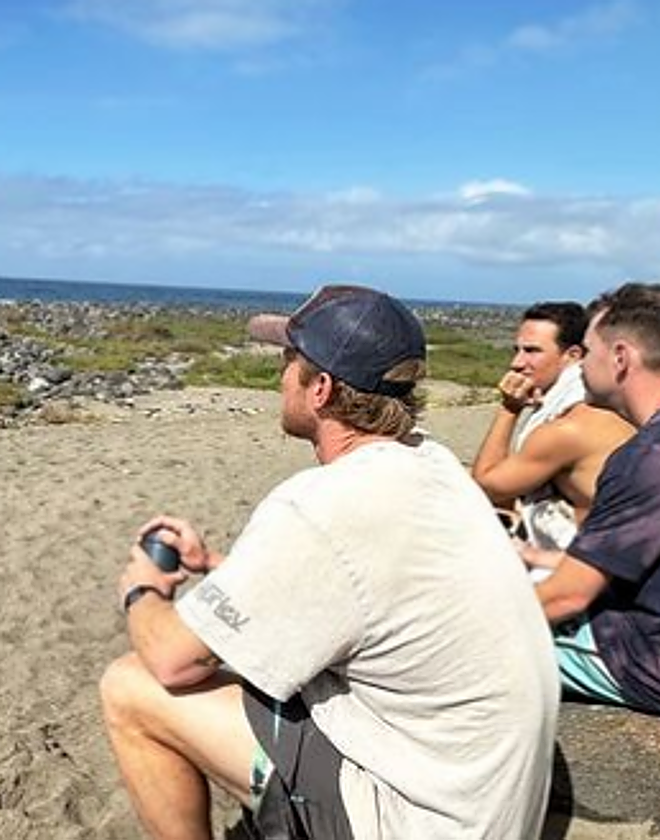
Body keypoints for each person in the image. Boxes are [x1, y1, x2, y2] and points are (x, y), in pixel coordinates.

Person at [100, 285, 559, 840]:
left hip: (414, 820)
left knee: (130, 687)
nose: (279, 374)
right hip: (487, 806)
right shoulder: (433, 464)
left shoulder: (320, 504)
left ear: (319, 388)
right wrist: (220, 564)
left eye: (289, 360)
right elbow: (355, 585)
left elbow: (174, 660)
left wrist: (143, 590)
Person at [528, 282, 660, 720]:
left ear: (620, 358)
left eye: (586, 351)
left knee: (458, 642)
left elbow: (566, 599)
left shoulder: (654, 454)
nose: (579, 366)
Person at [471, 302, 633, 553]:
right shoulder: (604, 402)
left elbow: (487, 487)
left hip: (590, 570)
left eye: (532, 351)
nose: (516, 363)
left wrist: (509, 409)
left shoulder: (570, 423)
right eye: (517, 350)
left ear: (573, 356)